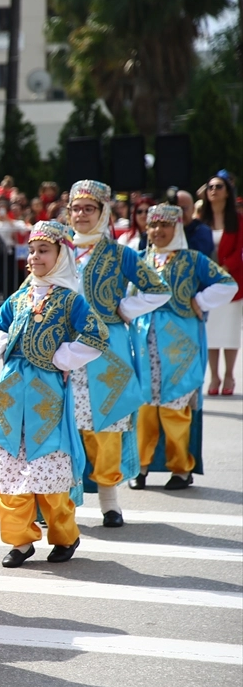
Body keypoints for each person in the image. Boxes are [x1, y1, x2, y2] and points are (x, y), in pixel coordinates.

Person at [0, 221, 109, 568]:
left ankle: (65, 535)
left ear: (61, 255)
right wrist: (4, 342)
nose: (35, 256)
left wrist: (61, 356)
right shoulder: (20, 296)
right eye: (31, 250)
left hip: (47, 393)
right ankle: (20, 541)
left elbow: (96, 336)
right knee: (8, 464)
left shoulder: (71, 300)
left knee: (48, 467)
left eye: (43, 250)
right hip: (11, 392)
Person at [66, 181, 169, 526]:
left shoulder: (120, 252)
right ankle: (64, 503)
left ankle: (110, 501)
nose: (81, 215)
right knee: (67, 424)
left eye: (89, 209)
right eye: (76, 209)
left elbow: (158, 288)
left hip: (109, 349)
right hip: (66, 349)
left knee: (107, 422)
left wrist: (126, 307)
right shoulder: (58, 249)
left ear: (103, 212)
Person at [130, 205, 237, 489]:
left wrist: (199, 301)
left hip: (181, 347)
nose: (158, 231)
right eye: (153, 225)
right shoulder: (141, 259)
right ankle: (139, 467)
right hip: (144, 346)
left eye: (165, 225)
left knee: (174, 408)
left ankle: (180, 469)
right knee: (144, 409)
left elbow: (228, 285)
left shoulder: (193, 260)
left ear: (177, 228)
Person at [199, 176, 243, 396]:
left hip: (232, 283)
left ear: (228, 192)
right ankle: (214, 375)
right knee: (212, 333)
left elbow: (239, 251)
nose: (214, 190)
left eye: (219, 186)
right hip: (207, 284)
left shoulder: (237, 219)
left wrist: (222, 268)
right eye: (211, 187)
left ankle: (229, 375)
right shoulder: (201, 219)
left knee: (230, 332)